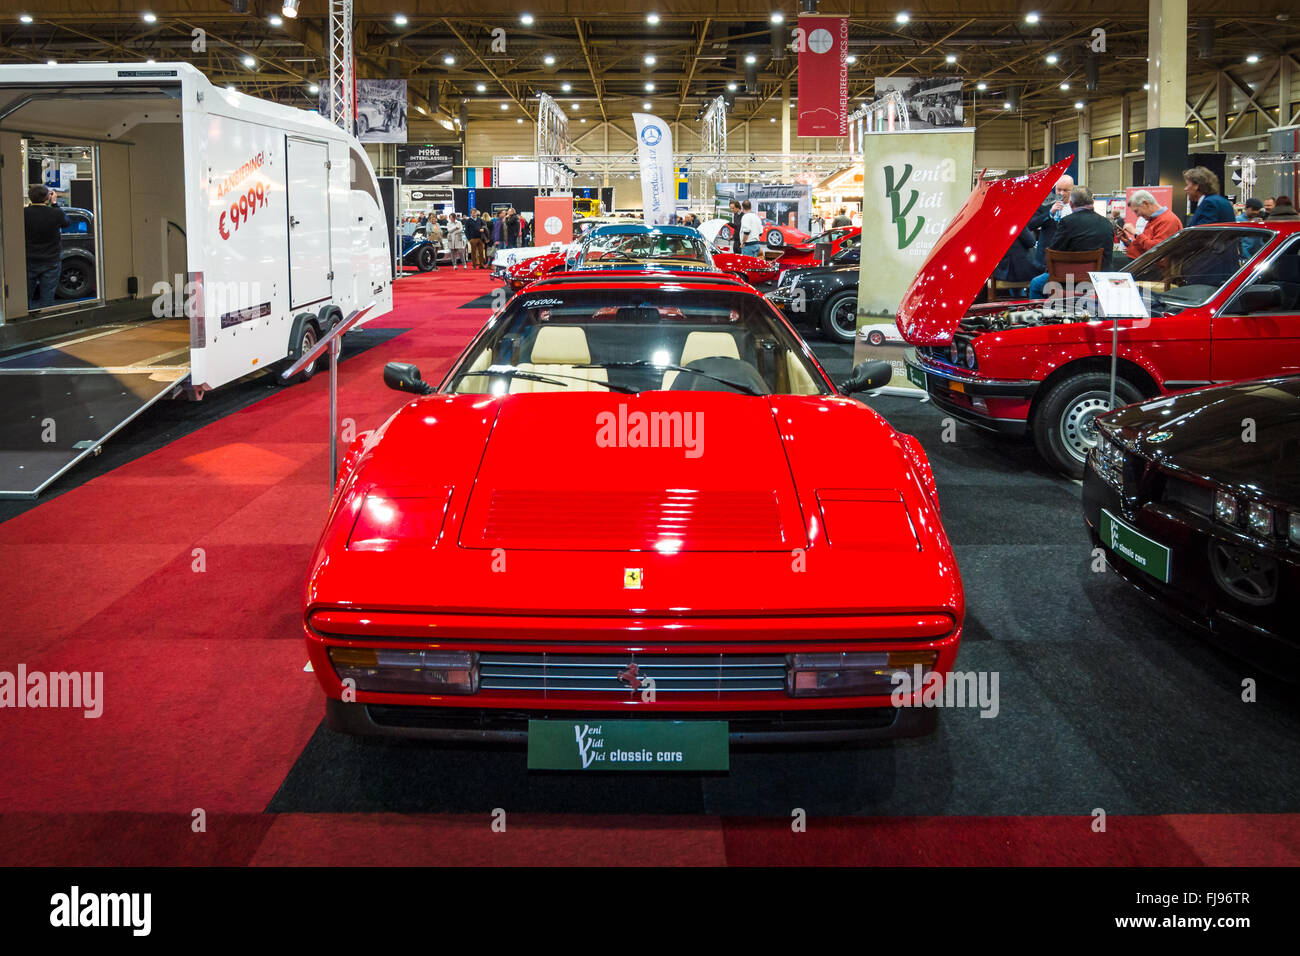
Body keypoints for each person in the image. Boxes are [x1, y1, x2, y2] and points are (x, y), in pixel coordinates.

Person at [1027, 185, 1114, 298]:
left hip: (1068, 281)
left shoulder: (1066, 223)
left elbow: (1053, 253)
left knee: (1035, 284)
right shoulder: (1107, 224)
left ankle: (1041, 314)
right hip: (1098, 281)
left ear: (1071, 204)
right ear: (1093, 202)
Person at [24, 184, 69, 311]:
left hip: (29, 260)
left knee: (26, 296)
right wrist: (54, 203)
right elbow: (66, 222)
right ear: (47, 197)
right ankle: (45, 321)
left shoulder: (23, 213)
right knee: (47, 297)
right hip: (51, 260)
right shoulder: (55, 213)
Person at [1027, 174, 1075, 274]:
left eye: (1065, 190)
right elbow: (1030, 224)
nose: (1061, 193)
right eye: (1059, 189)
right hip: (1045, 260)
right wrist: (1050, 213)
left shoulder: (1077, 206)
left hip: (1069, 259)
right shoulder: (1045, 204)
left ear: (1073, 190)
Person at [1119, 189, 1182, 259]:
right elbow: (1145, 248)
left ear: (1145, 203)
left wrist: (1136, 233)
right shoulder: (1153, 220)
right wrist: (1128, 242)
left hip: (1160, 269)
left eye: (1136, 211)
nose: (1137, 215)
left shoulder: (1168, 220)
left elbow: (1157, 250)